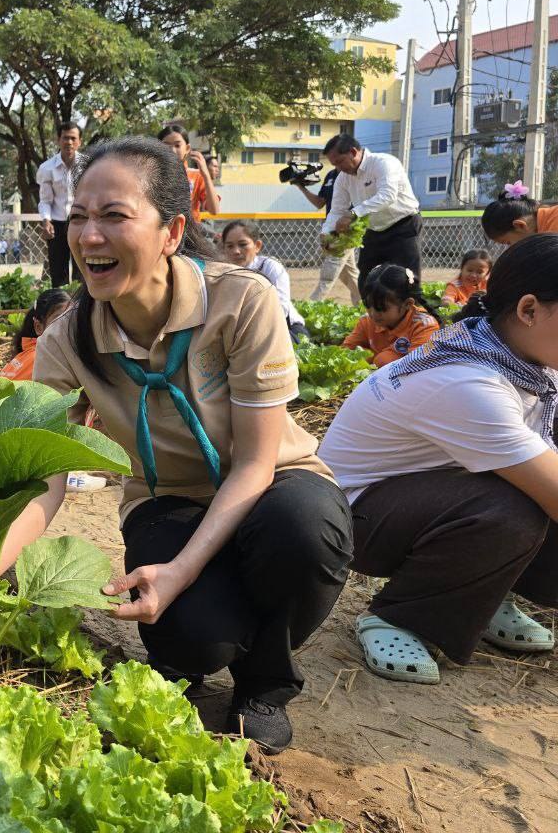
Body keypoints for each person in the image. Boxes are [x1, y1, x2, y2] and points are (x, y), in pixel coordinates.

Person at [0, 136, 352, 753]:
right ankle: (224, 622)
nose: (89, 235)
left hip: (273, 485)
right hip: (171, 496)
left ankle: (265, 683)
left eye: (114, 216)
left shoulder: (241, 303)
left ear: (170, 231)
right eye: (79, 217)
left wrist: (182, 571)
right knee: (193, 641)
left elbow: (257, 463)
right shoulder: (67, 339)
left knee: (302, 530)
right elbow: (45, 478)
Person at [319, 234, 558, 685]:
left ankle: (483, 595)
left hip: (425, 495)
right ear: (528, 311)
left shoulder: (517, 357)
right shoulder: (470, 383)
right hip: (354, 516)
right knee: (516, 511)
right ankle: (397, 618)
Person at [321, 133, 422, 290]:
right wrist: (326, 233)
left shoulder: (384, 163)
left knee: (406, 280)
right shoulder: (342, 178)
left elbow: (387, 195)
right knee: (367, 281)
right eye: (334, 164)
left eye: (340, 161)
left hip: (403, 226)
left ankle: (413, 313)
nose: (338, 168)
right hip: (373, 230)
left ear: (353, 152)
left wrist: (353, 214)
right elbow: (337, 210)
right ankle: (372, 313)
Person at [221, 220, 308, 343]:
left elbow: (280, 309)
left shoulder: (269, 267)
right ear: (223, 249)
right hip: (239, 332)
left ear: (257, 246)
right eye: (230, 246)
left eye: (242, 244)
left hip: (283, 328)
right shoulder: (222, 273)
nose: (236, 251)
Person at [342, 264, 441, 367]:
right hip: (377, 378)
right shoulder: (367, 321)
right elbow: (346, 351)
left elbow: (417, 366)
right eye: (368, 305)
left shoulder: (424, 326)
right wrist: (372, 357)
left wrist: (379, 359)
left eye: (381, 308)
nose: (373, 313)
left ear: (407, 304)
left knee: (383, 359)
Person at [293, 167, 361, 304]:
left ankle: (310, 308)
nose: (335, 161)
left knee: (328, 275)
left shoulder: (354, 174)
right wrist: (301, 187)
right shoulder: (331, 175)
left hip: (347, 231)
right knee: (348, 273)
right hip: (330, 230)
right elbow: (319, 202)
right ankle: (365, 301)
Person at [36, 122, 84, 286]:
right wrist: (46, 221)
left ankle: (85, 309)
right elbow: (45, 200)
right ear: (58, 140)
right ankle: (62, 310)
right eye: (65, 138)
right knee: (58, 275)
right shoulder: (47, 168)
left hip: (82, 224)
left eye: (73, 138)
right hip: (57, 225)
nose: (69, 142)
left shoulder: (88, 166)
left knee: (83, 272)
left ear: (79, 142)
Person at [157, 125, 220, 222]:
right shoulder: (152, 175)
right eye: (166, 145)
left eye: (177, 145)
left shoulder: (197, 176)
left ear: (187, 148)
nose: (172, 150)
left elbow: (214, 210)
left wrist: (206, 175)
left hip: (189, 234)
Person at [480, 182, 558, 245]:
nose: (511, 248)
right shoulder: (549, 221)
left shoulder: (552, 235)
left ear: (520, 226)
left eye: (508, 243)